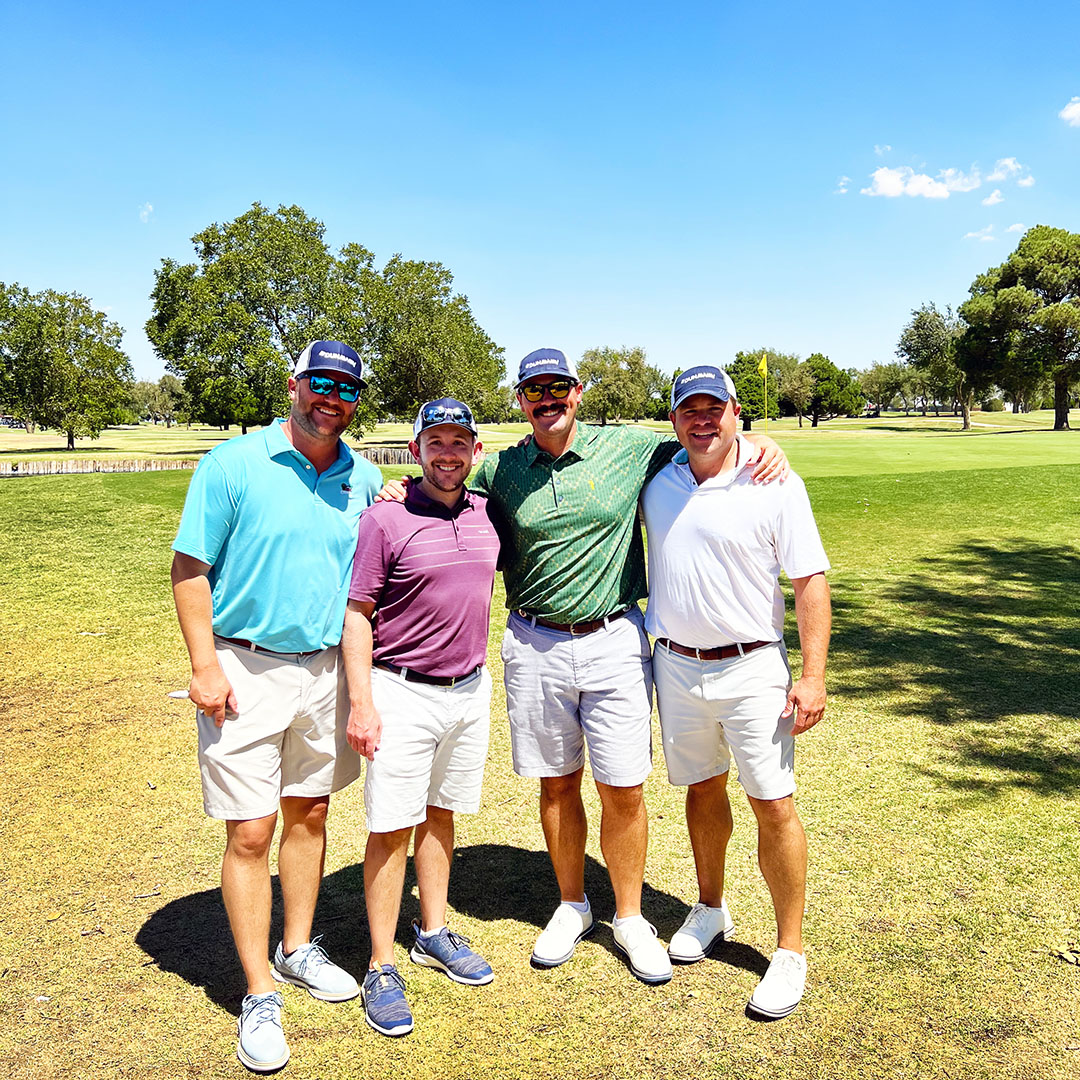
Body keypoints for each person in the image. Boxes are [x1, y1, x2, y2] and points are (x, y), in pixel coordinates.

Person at [460, 348, 785, 984]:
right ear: (520, 399)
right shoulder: (498, 467)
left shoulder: (628, 449)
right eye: (534, 391)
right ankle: (573, 904)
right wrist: (395, 488)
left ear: (579, 391)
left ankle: (631, 916)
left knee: (623, 786)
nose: (547, 399)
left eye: (559, 387)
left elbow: (708, 441)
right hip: (533, 640)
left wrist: (761, 438)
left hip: (613, 635)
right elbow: (442, 484)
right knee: (556, 782)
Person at [171, 340, 382, 1072]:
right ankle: (259, 990)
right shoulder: (233, 464)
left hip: (326, 671)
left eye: (345, 388)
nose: (331, 397)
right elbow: (190, 569)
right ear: (294, 385)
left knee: (312, 812)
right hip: (244, 665)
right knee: (251, 831)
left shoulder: (364, 475)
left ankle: (297, 948)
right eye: (320, 382)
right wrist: (204, 666)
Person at [641, 365, 831, 1019]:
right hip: (677, 665)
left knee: (773, 805)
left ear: (735, 410)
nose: (702, 420)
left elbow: (809, 579)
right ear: (673, 420)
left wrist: (812, 676)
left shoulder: (774, 479)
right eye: (688, 410)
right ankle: (710, 906)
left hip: (753, 668)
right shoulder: (658, 480)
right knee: (701, 789)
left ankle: (789, 951)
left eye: (713, 408)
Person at [341, 399, 504, 1037]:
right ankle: (382, 963)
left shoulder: (488, 513)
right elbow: (358, 613)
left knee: (441, 815)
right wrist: (362, 702)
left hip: (468, 690)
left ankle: (432, 929)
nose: (447, 453)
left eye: (459, 442)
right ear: (416, 451)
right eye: (435, 441)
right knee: (390, 826)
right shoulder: (385, 519)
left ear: (475, 452)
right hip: (400, 690)